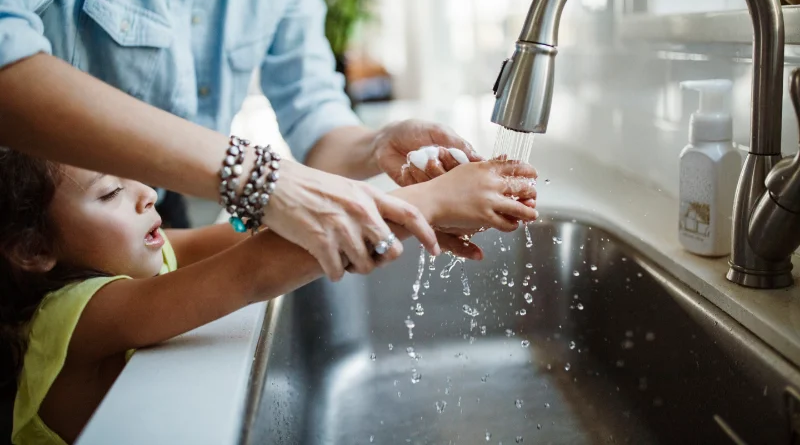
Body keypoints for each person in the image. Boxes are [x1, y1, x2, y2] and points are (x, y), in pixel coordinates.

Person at [0, 0, 484, 276]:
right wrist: (259, 179)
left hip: (147, 221)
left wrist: (376, 146)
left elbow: (312, 106)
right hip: (34, 238)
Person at [0, 148, 538, 445]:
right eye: (111, 192)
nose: (147, 194)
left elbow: (254, 238)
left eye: (133, 178)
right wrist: (430, 202)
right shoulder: (74, 317)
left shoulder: (143, 256)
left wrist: (403, 211)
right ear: (31, 248)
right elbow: (250, 272)